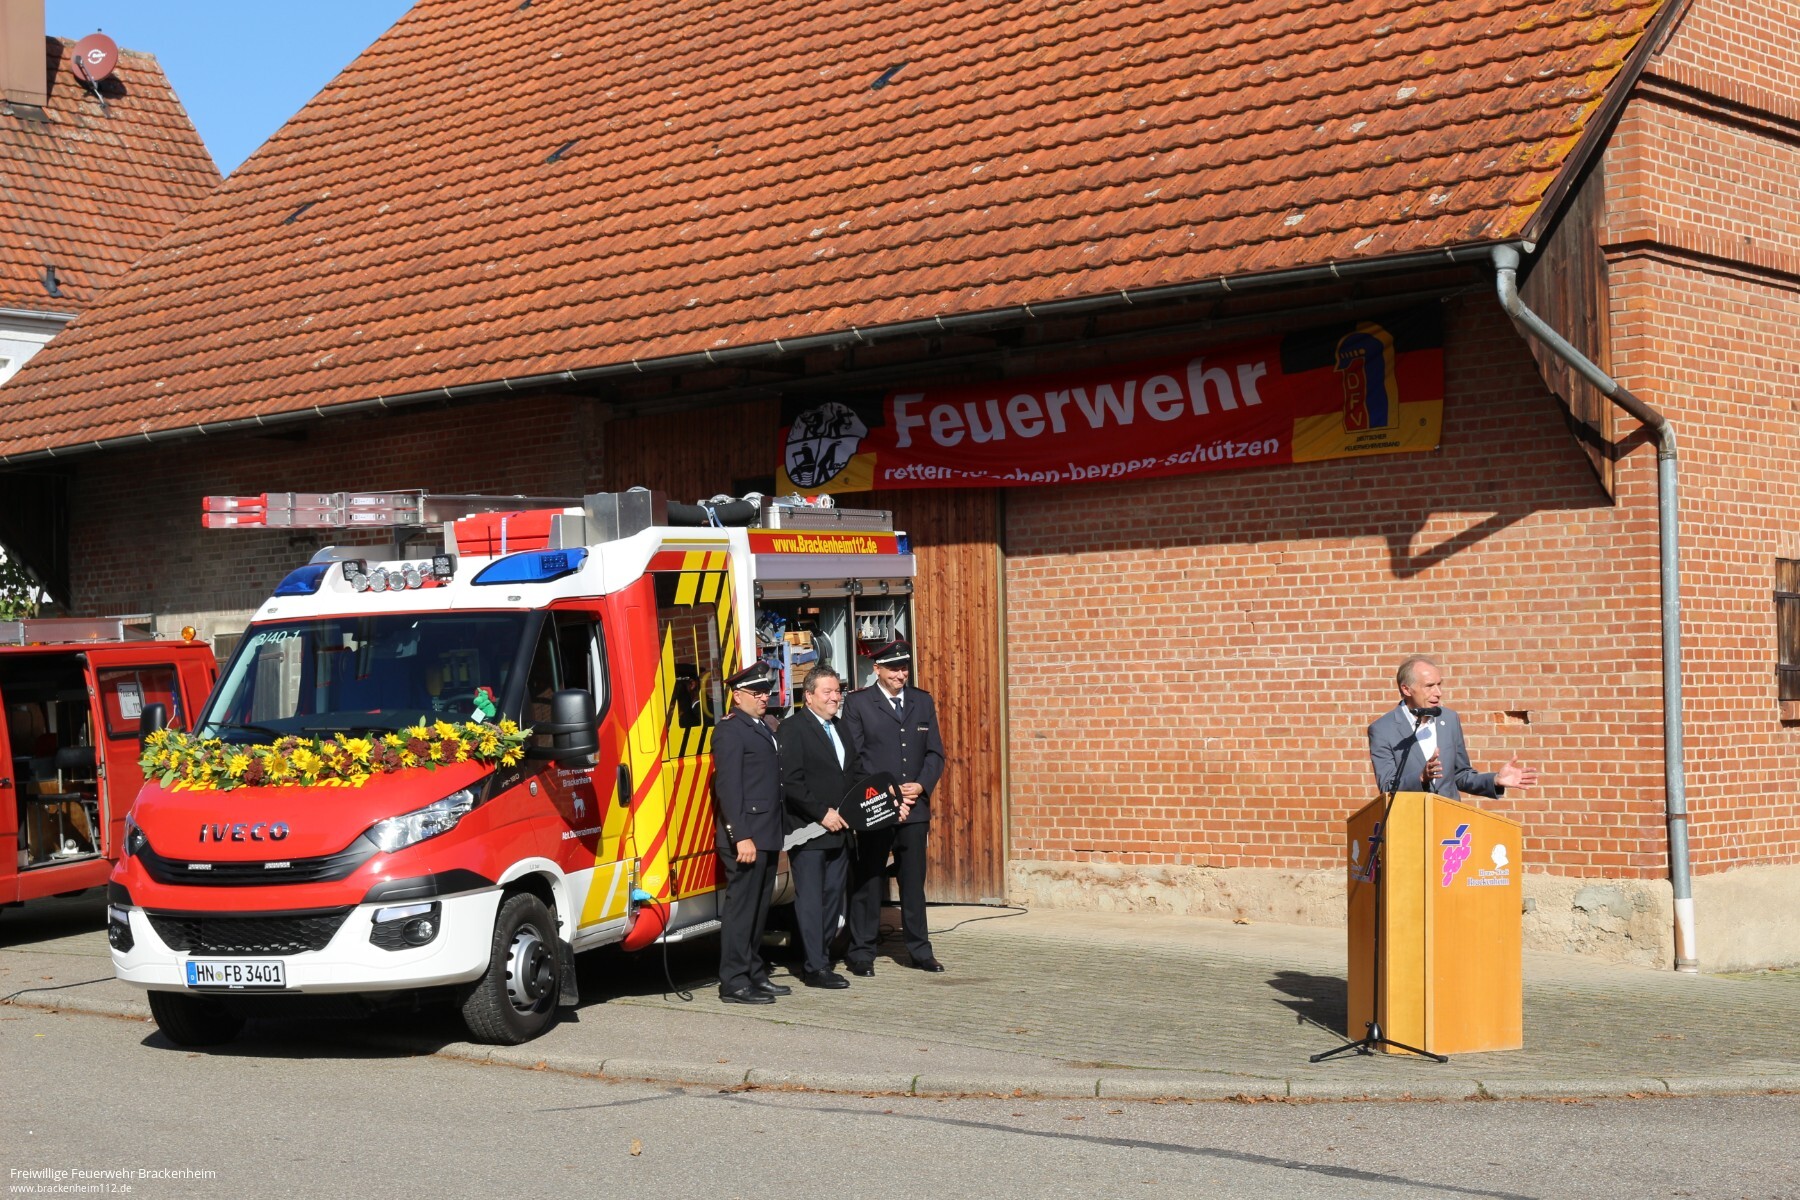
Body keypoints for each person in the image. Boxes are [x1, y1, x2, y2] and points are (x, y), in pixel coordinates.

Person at [840, 638, 946, 974]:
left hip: (914, 807)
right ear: (877, 669)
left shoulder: (921, 700)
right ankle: (861, 952)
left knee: (913, 882)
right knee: (869, 879)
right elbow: (854, 758)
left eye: (904, 669)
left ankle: (919, 950)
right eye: (893, 669)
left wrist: (921, 785)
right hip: (877, 806)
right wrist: (887, 793)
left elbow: (935, 753)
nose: (900, 675)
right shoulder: (858, 703)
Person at [711, 661, 791, 1005]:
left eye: (766, 691)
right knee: (741, 911)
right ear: (737, 695)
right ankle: (733, 982)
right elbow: (728, 788)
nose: (763, 697)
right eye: (756, 692)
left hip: (766, 833)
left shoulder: (761, 725)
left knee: (759, 911)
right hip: (746, 837)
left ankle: (754, 973)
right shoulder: (730, 730)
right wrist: (740, 835)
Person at [777, 666, 854, 989]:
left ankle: (820, 957)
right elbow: (791, 782)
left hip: (841, 830)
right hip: (809, 830)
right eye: (828, 692)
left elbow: (852, 772)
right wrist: (822, 814)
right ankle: (815, 967)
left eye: (838, 691)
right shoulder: (793, 729)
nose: (835, 697)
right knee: (811, 900)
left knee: (833, 898)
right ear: (809, 696)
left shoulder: (840, 726)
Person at [1369, 655, 1538, 799]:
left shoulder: (1449, 719)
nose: (1438, 692)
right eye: (1429, 686)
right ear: (1406, 689)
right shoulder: (1383, 729)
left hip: (1449, 820)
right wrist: (1420, 778)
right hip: (1410, 820)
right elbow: (1387, 787)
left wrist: (1495, 780)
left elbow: (1461, 775)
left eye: (1439, 684)